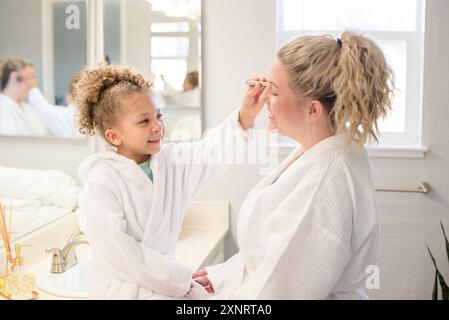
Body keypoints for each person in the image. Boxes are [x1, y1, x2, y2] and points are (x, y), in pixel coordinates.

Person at [193, 31, 394, 299]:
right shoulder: (322, 150)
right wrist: (221, 277)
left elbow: (274, 294)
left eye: (274, 91)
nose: (263, 97)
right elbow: (273, 256)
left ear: (312, 110)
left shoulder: (323, 182)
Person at [76, 64, 262, 299]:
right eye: (144, 121)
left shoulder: (170, 163)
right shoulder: (101, 180)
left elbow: (210, 152)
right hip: (120, 290)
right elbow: (117, 249)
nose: (158, 126)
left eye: (159, 116)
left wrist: (245, 115)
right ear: (114, 136)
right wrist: (177, 279)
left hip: (165, 286)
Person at [0, 59, 50, 136]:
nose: (34, 82)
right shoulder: (3, 108)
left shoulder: (28, 108)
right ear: (14, 76)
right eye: (31, 76)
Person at [27, 70, 84, 138]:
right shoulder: (95, 115)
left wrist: (31, 86)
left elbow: (40, 106)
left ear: (69, 97)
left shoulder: (69, 115)